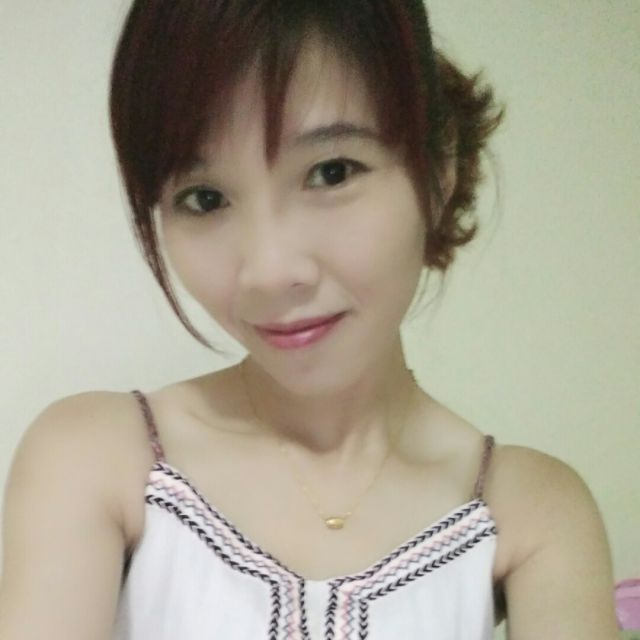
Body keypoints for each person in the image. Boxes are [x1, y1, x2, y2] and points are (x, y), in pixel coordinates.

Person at [0, 1, 619, 638]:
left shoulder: (531, 512)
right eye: (205, 198)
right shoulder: (100, 458)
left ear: (437, 173)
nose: (269, 272)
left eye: (331, 172)